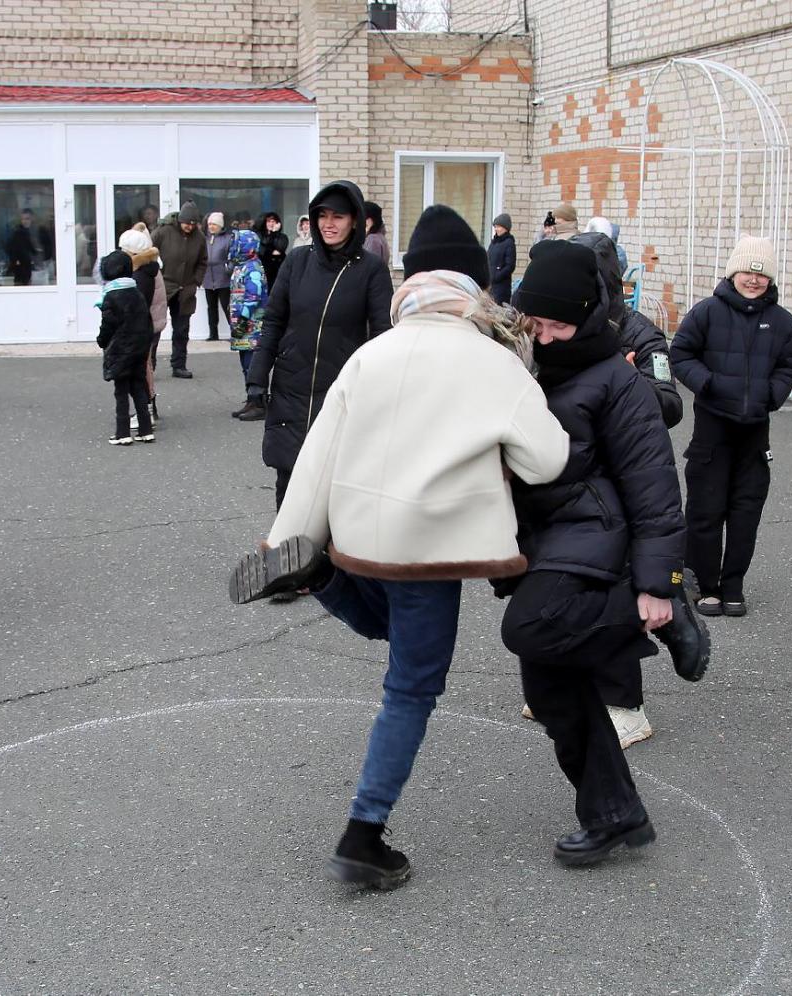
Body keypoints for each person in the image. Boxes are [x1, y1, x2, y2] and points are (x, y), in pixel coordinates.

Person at [228, 206, 571, 888]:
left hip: (363, 533)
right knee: (412, 685)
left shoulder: (370, 355)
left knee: (400, 634)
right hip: (435, 545)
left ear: (409, 281)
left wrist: (285, 539)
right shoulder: (493, 361)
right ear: (475, 286)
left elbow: (318, 456)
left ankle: (321, 574)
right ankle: (363, 833)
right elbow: (547, 462)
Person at [500, 239, 709, 867]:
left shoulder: (619, 381)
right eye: (535, 324)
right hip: (550, 542)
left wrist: (656, 584)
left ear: (589, 315)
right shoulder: (523, 367)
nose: (547, 336)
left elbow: (654, 490)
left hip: (601, 538)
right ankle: (615, 814)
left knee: (528, 629)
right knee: (552, 685)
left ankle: (664, 612)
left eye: (559, 324)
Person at [243, 180, 393, 515]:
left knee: (334, 492)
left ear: (355, 220)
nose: (328, 223)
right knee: (290, 484)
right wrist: (257, 376)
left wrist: (376, 390)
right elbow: (274, 321)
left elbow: (384, 336)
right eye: (322, 215)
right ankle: (287, 562)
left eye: (338, 216)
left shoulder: (371, 270)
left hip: (340, 393)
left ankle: (328, 565)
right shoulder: (297, 261)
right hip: (290, 387)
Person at [670, 236, 792, 618]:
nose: (753, 280)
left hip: (754, 436)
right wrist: (708, 383)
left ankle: (733, 586)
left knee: (745, 514)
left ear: (770, 279)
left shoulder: (783, 322)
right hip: (712, 432)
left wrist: (771, 395)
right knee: (705, 512)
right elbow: (680, 353)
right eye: (747, 272)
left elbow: (789, 366)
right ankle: (706, 587)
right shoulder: (706, 312)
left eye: (761, 275)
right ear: (733, 272)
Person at [95, 250, 155, 446]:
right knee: (138, 387)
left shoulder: (111, 296)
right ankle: (145, 430)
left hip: (120, 350)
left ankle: (122, 432)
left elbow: (108, 324)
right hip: (139, 348)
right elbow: (147, 321)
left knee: (121, 391)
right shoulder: (136, 292)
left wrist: (102, 340)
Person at [152, 203, 207, 379]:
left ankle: (179, 365)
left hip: (186, 290)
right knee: (154, 329)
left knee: (182, 330)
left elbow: (203, 261)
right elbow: (149, 253)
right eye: (187, 223)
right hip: (164, 287)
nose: (190, 227)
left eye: (193, 224)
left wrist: (196, 281)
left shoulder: (199, 237)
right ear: (180, 220)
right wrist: (155, 278)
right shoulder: (163, 232)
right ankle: (148, 366)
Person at [119, 225, 164, 426]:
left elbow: (138, 305)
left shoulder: (141, 274)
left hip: (144, 327)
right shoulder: (149, 267)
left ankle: (145, 411)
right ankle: (147, 408)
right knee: (145, 366)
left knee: (141, 369)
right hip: (150, 323)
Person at [227, 230, 269, 418]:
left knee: (253, 363)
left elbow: (253, 296)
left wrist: (243, 320)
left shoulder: (252, 268)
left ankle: (258, 401)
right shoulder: (241, 267)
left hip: (252, 325)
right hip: (243, 326)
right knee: (246, 362)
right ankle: (251, 399)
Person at [201, 211, 232, 341]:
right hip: (208, 277)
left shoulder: (227, 238)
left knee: (227, 306)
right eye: (209, 224)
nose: (211, 227)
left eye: (214, 224)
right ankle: (213, 333)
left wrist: (228, 269)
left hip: (223, 278)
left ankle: (234, 332)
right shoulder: (205, 239)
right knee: (211, 307)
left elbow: (231, 257)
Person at [5, 208, 39, 286]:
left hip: (24, 265)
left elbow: (29, 246)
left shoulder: (28, 231)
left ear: (32, 219)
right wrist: (16, 261)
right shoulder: (19, 232)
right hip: (21, 266)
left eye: (27, 219)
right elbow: (12, 248)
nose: (25, 221)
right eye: (23, 219)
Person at [255, 211, 289, 291]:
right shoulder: (260, 236)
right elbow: (262, 252)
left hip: (278, 270)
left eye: (273, 221)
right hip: (264, 271)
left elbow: (280, 249)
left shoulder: (282, 237)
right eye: (268, 221)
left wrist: (274, 233)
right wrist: (271, 252)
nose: (271, 224)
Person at [487, 212, 516, 305]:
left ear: (506, 228)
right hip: (490, 285)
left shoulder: (509, 243)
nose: (496, 229)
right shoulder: (494, 242)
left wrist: (496, 276)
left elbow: (510, 266)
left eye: (499, 226)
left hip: (502, 287)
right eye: (495, 227)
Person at [362, 202, 390, 267]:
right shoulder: (379, 237)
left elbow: (369, 267)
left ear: (373, 219)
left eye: (365, 217)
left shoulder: (373, 240)